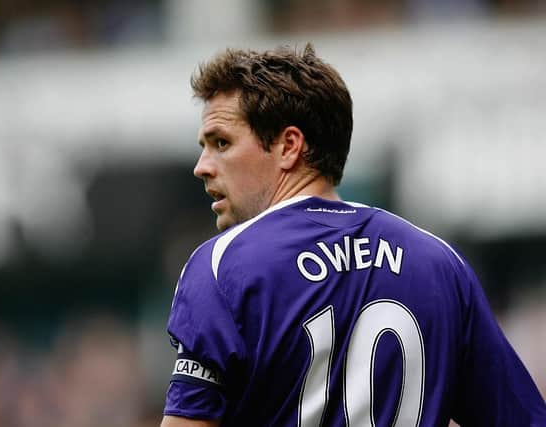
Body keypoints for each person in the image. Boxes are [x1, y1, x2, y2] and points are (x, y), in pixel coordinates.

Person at [160, 44, 546, 427]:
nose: (202, 167)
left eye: (221, 143)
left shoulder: (222, 266)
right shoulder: (440, 263)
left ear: (289, 146)